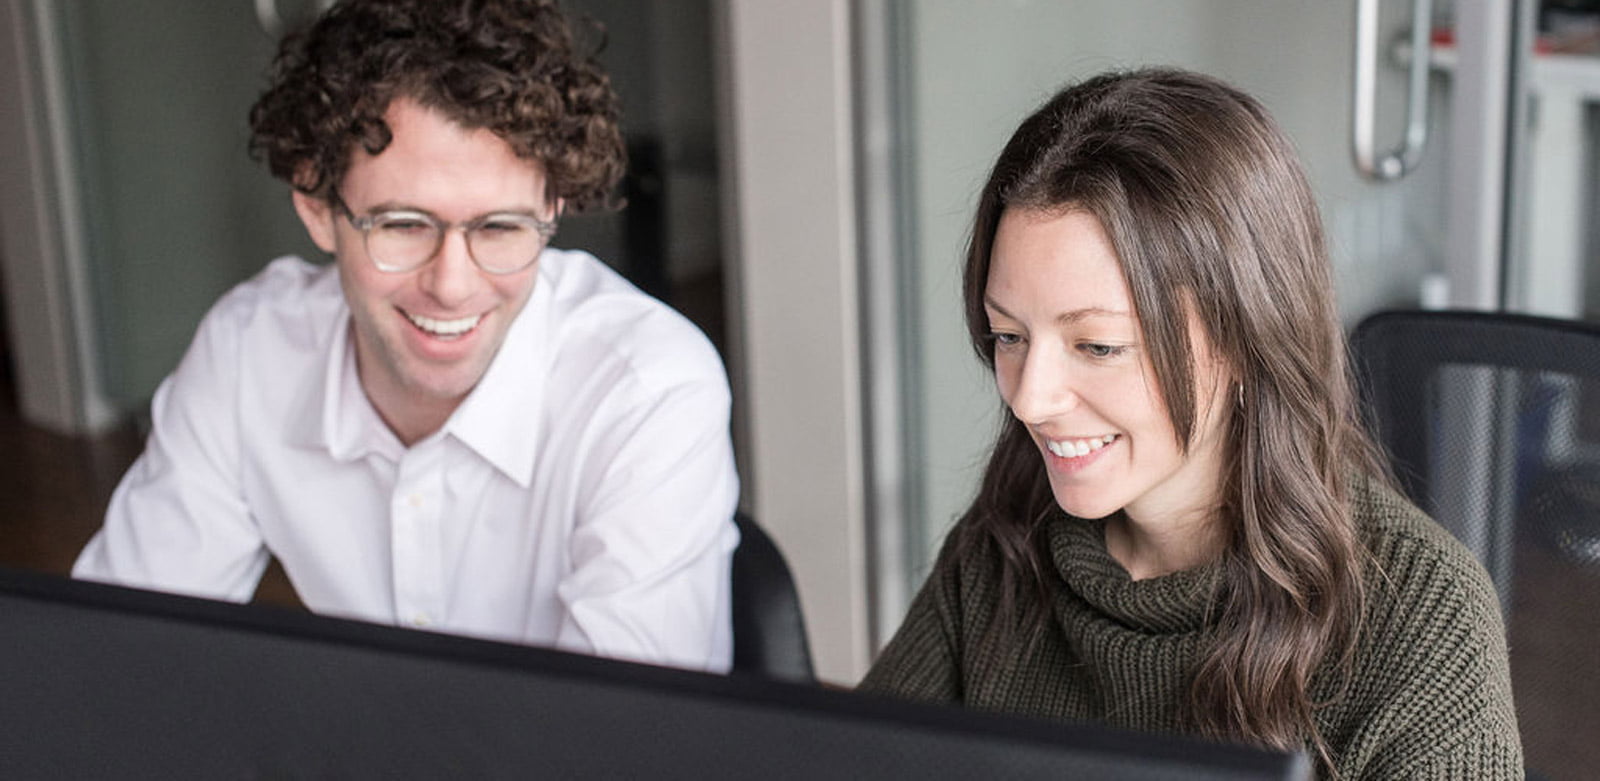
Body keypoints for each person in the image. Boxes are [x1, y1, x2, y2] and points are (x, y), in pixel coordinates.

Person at [858, 69, 1522, 778]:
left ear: (1242, 336)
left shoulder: (1420, 622)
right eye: (1008, 335)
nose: (1029, 399)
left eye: (1098, 346)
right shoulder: (1007, 540)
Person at [73, 0, 739, 673]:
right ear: (317, 207)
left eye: (500, 228)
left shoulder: (648, 393)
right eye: (402, 225)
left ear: (551, 208)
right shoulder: (250, 355)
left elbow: (619, 740)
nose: (452, 285)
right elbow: (116, 653)